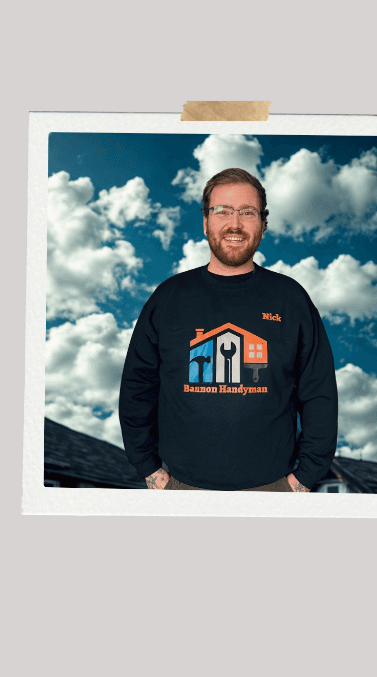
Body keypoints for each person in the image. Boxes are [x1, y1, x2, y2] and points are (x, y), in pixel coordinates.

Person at [119, 167, 339, 491]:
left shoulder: (291, 300)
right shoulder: (168, 299)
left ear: (263, 224)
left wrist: (305, 477)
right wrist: (148, 468)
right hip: (179, 488)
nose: (234, 223)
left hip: (275, 489)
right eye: (222, 211)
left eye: (247, 212)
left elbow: (319, 394)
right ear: (206, 221)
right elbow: (138, 388)